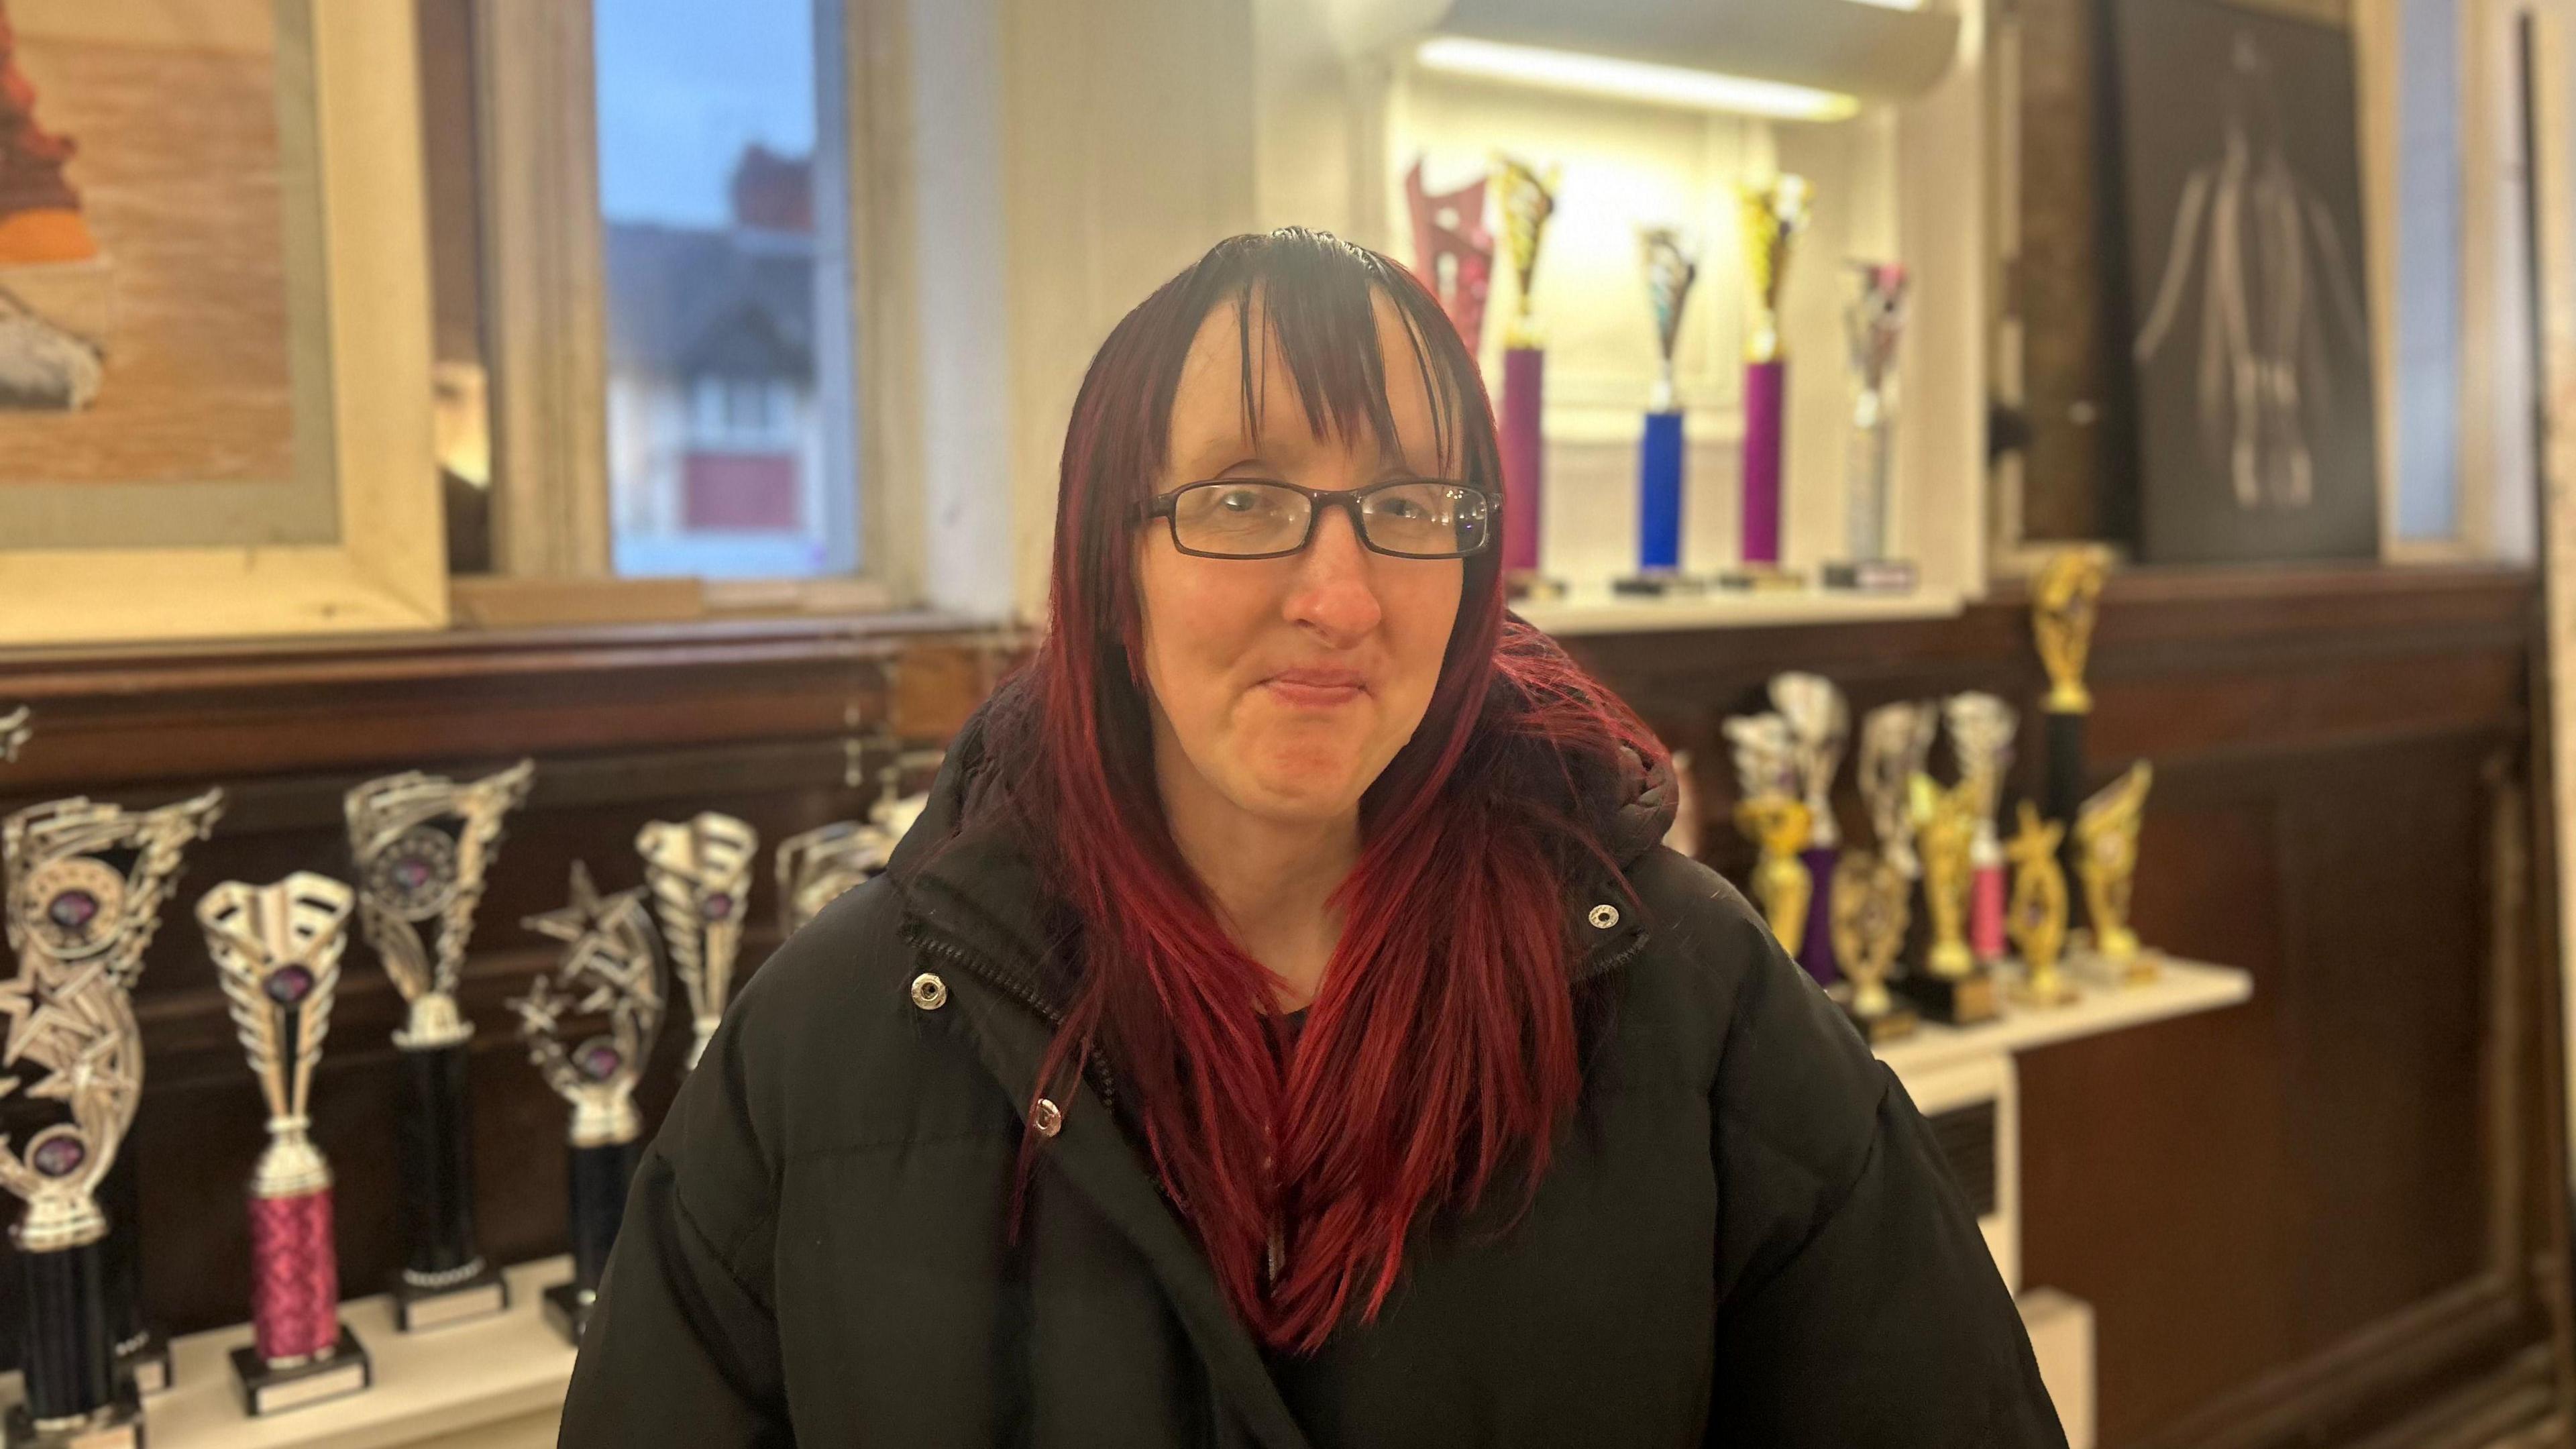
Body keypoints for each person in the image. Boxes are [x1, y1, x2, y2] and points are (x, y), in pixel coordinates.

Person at [559, 228, 2067, 1448]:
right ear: (1109, 567)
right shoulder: (829, 1043)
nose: (1341, 594)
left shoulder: (1691, 995)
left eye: (1412, 503)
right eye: (1242, 497)